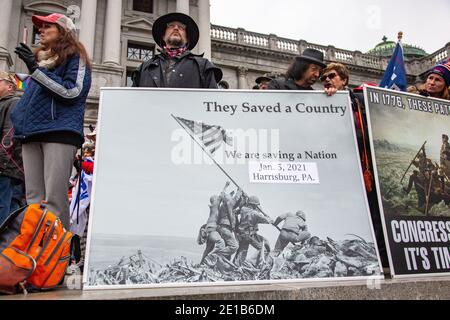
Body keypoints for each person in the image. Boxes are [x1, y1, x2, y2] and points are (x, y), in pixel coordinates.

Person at [11, 13, 92, 229]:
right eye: (40, 27)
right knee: (33, 201)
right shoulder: (40, 62)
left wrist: (36, 71)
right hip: (31, 133)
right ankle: (36, 253)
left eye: (48, 26)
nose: (41, 30)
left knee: (55, 201)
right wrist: (18, 117)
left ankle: (57, 258)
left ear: (63, 32)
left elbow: (72, 92)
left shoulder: (76, 57)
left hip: (59, 132)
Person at [132, 12, 222, 88]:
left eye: (181, 27)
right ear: (163, 36)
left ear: (187, 39)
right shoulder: (144, 68)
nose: (176, 28)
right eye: (170, 26)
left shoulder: (203, 66)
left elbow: (212, 102)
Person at [0, 72, 24, 225]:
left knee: (3, 208)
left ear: (10, 86)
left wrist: (3, 162)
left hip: (5, 167)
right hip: (5, 166)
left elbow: (9, 137)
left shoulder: (14, 102)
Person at [234, 195, 272, 266]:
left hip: (243, 234)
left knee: (242, 250)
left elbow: (243, 209)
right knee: (263, 249)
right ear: (254, 205)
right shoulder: (255, 214)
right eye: (256, 206)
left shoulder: (243, 209)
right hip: (249, 235)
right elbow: (268, 221)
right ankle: (253, 263)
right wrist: (268, 217)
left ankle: (236, 265)